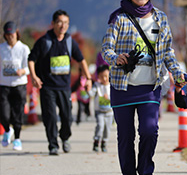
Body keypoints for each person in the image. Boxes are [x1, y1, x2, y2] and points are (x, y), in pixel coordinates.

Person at [101, 0, 186, 175]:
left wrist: (177, 73)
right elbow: (106, 48)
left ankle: (146, 171)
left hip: (150, 87)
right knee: (126, 136)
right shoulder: (118, 18)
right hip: (122, 87)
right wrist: (115, 57)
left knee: (150, 131)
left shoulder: (160, 18)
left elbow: (167, 51)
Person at [28, 9, 92, 156]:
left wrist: (88, 78)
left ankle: (65, 138)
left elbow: (81, 60)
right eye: (60, 22)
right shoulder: (44, 41)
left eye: (66, 23)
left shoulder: (70, 42)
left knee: (67, 116)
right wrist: (34, 77)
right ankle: (53, 144)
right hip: (47, 86)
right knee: (49, 117)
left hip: (64, 87)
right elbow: (31, 59)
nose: (63, 26)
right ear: (53, 24)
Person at [0, 21, 30, 151]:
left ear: (16, 33)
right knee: (3, 114)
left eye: (12, 34)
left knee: (18, 113)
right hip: (4, 85)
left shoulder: (23, 49)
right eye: (8, 35)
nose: (10, 37)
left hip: (19, 85)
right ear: (5, 35)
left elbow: (29, 67)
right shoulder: (1, 48)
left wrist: (22, 71)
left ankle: (17, 139)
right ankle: (7, 129)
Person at [88, 64, 113, 152]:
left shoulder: (112, 86)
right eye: (102, 77)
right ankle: (96, 141)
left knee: (107, 128)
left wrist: (109, 98)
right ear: (98, 76)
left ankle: (104, 143)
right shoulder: (97, 85)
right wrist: (88, 88)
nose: (104, 79)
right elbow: (91, 94)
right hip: (99, 111)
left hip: (109, 112)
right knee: (100, 126)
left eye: (106, 76)